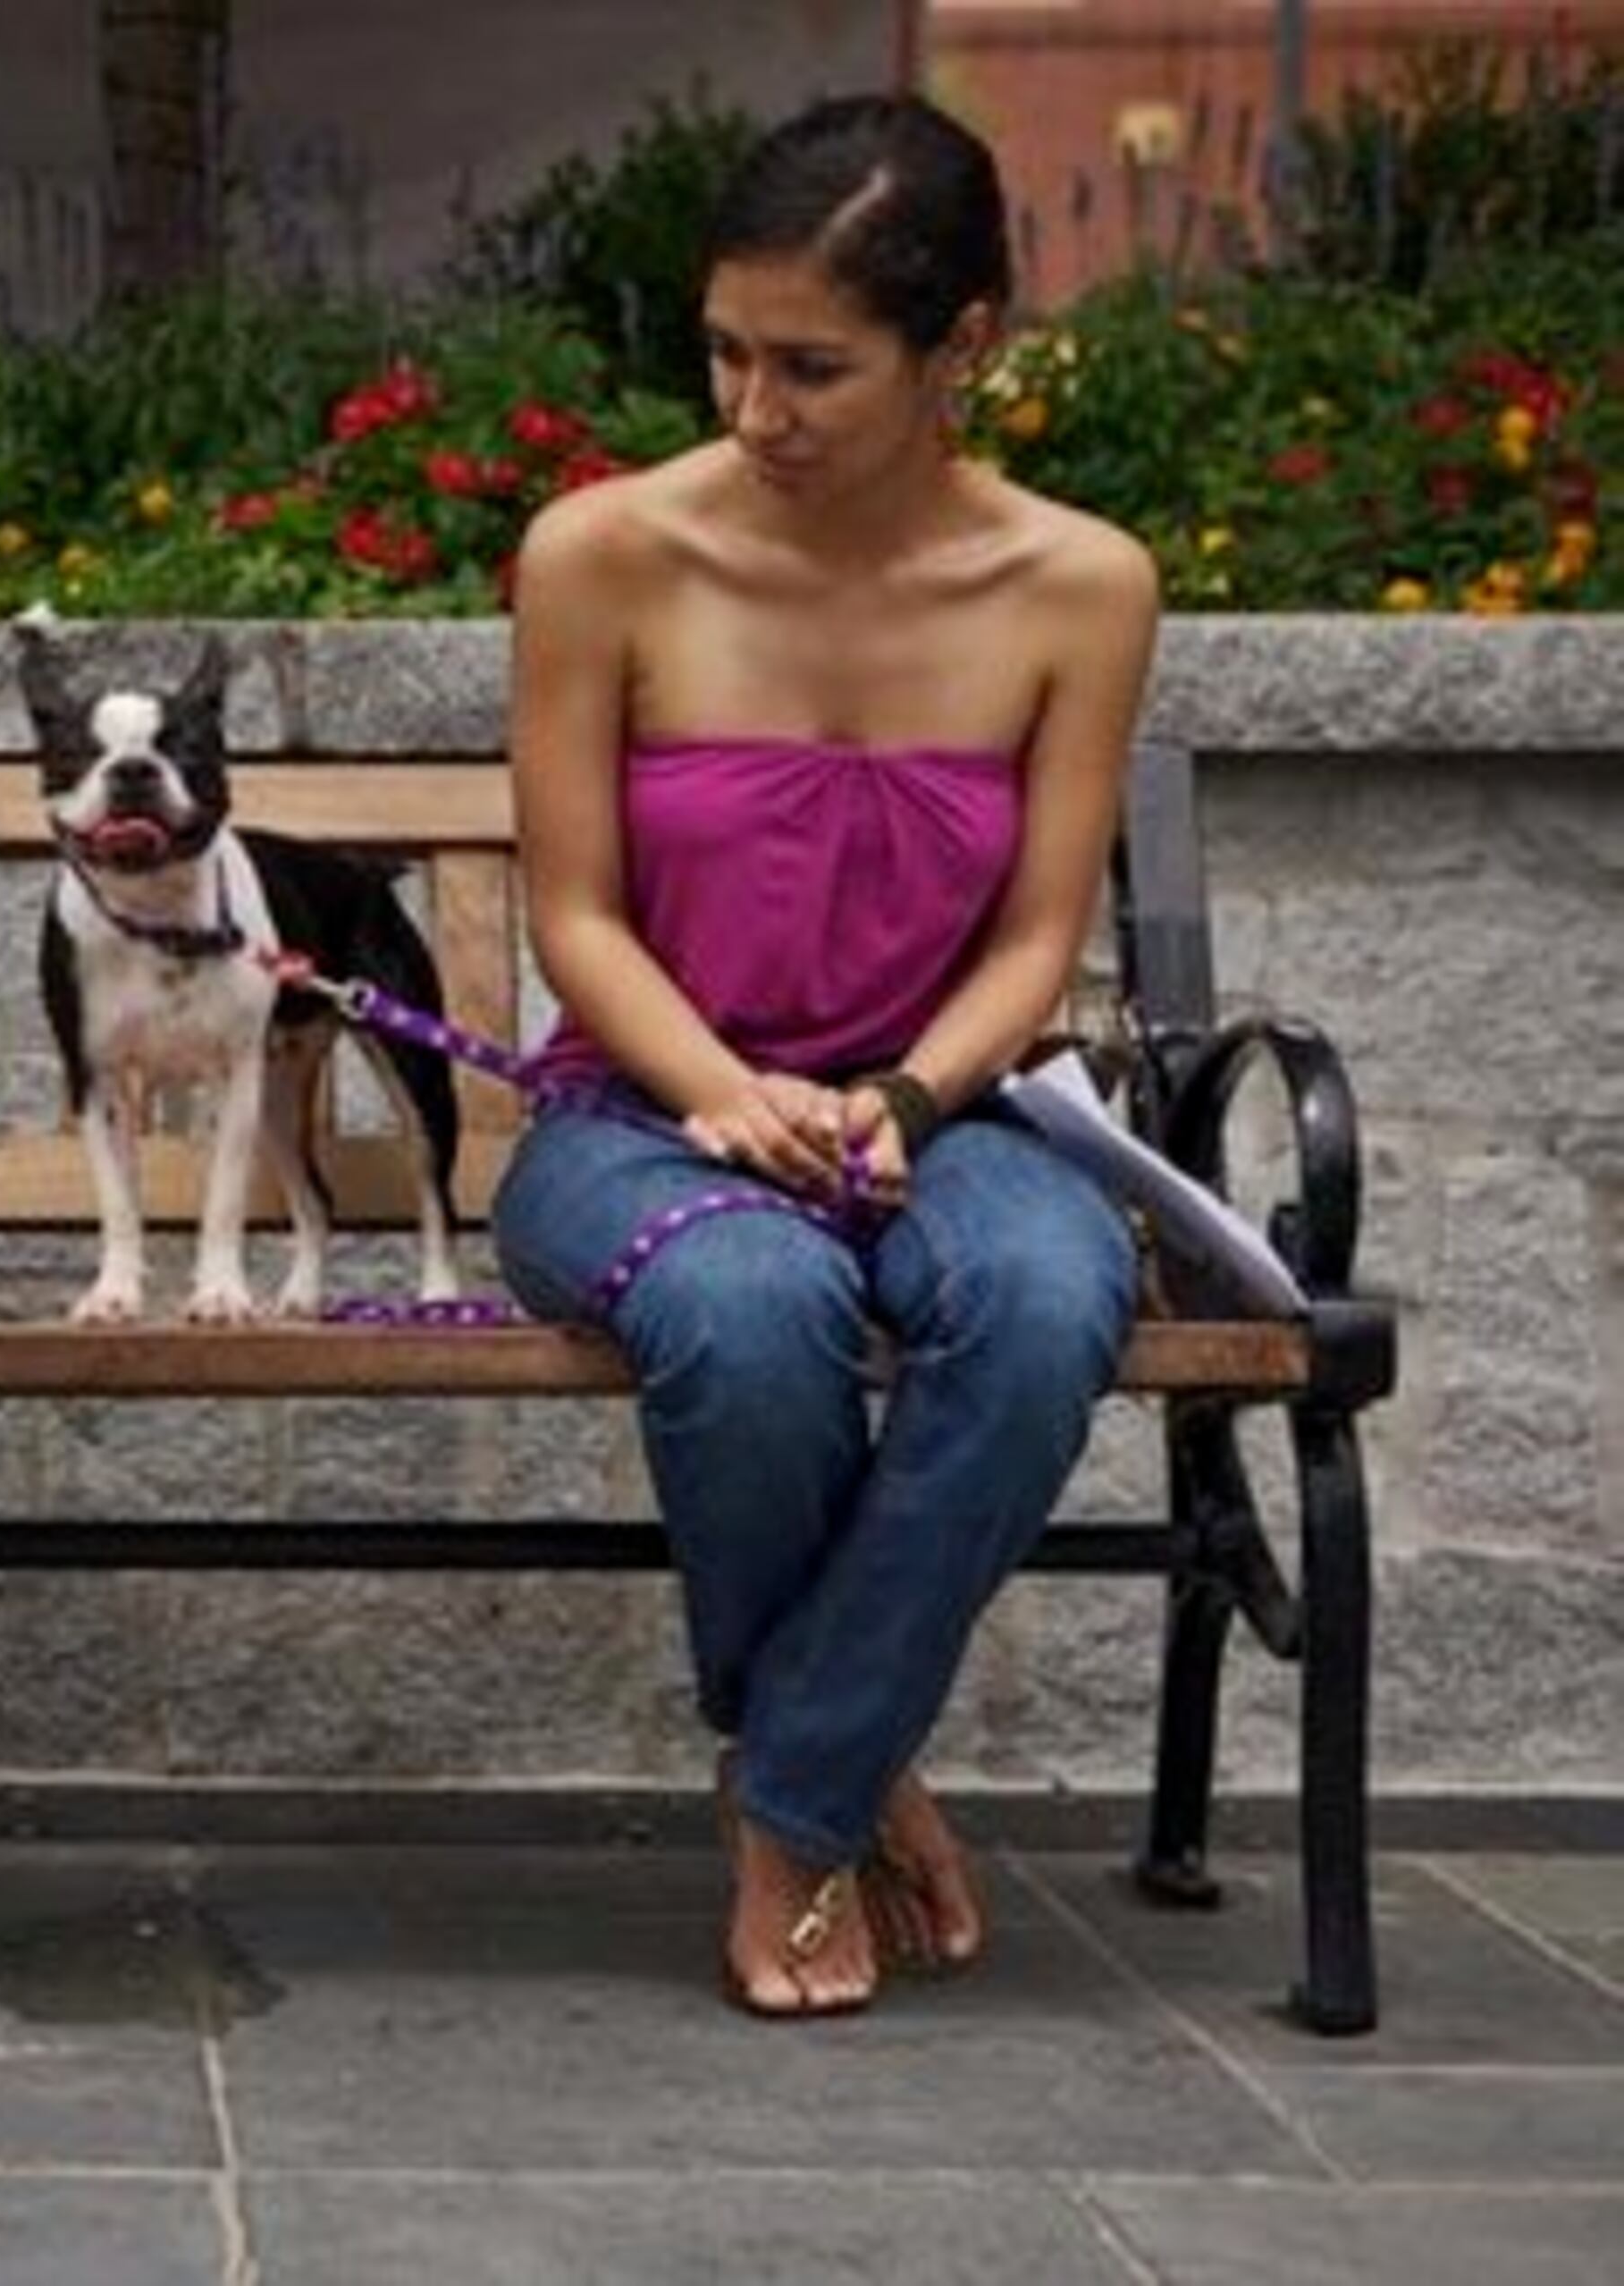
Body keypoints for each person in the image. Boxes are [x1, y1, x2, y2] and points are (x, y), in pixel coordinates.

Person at [492, 93, 1156, 2018]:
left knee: (1046, 1292)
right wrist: (713, 1089)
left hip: (947, 1102)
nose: (754, 408)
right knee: (754, 1300)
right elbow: (578, 915)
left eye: (813, 368)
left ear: (965, 348)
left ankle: (792, 1786)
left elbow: (1040, 935)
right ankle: (842, 1778)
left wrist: (905, 1101)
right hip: (638, 1108)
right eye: (723, 353)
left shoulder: (1081, 586)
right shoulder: (603, 554)